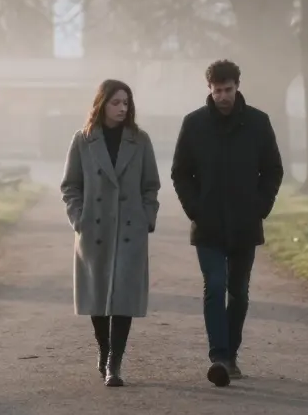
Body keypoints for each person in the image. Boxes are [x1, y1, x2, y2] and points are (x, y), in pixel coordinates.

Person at [171, 59, 284, 387]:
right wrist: (195, 208)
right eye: (217, 90)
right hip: (207, 224)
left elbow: (273, 170)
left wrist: (260, 207)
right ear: (209, 89)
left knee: (239, 292)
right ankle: (219, 356)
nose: (223, 96)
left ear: (237, 86)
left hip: (245, 223)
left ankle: (231, 354)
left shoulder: (258, 123)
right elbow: (181, 172)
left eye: (228, 89)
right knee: (215, 285)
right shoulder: (193, 124)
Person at [60, 79, 161, 387]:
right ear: (102, 104)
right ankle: (104, 350)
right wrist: (79, 218)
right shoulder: (83, 140)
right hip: (95, 229)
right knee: (98, 294)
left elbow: (150, 185)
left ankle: (115, 362)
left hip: (130, 229)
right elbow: (70, 186)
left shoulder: (140, 140)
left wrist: (147, 218)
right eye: (116, 102)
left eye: (126, 103)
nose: (122, 108)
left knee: (124, 296)